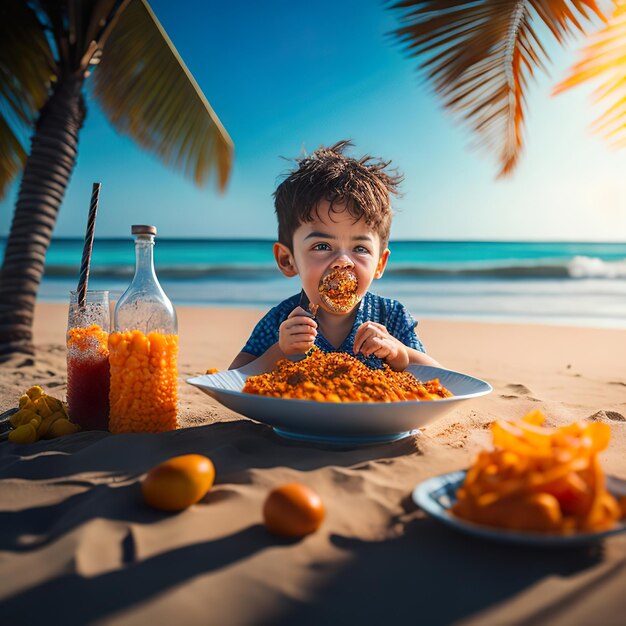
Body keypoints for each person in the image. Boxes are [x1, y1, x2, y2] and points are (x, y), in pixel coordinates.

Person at [229, 140, 441, 372]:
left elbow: (439, 376)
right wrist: (280, 351)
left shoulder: (390, 317)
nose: (343, 261)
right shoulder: (281, 320)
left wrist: (399, 353)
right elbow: (232, 378)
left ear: (380, 263)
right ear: (287, 260)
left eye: (360, 248)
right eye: (322, 246)